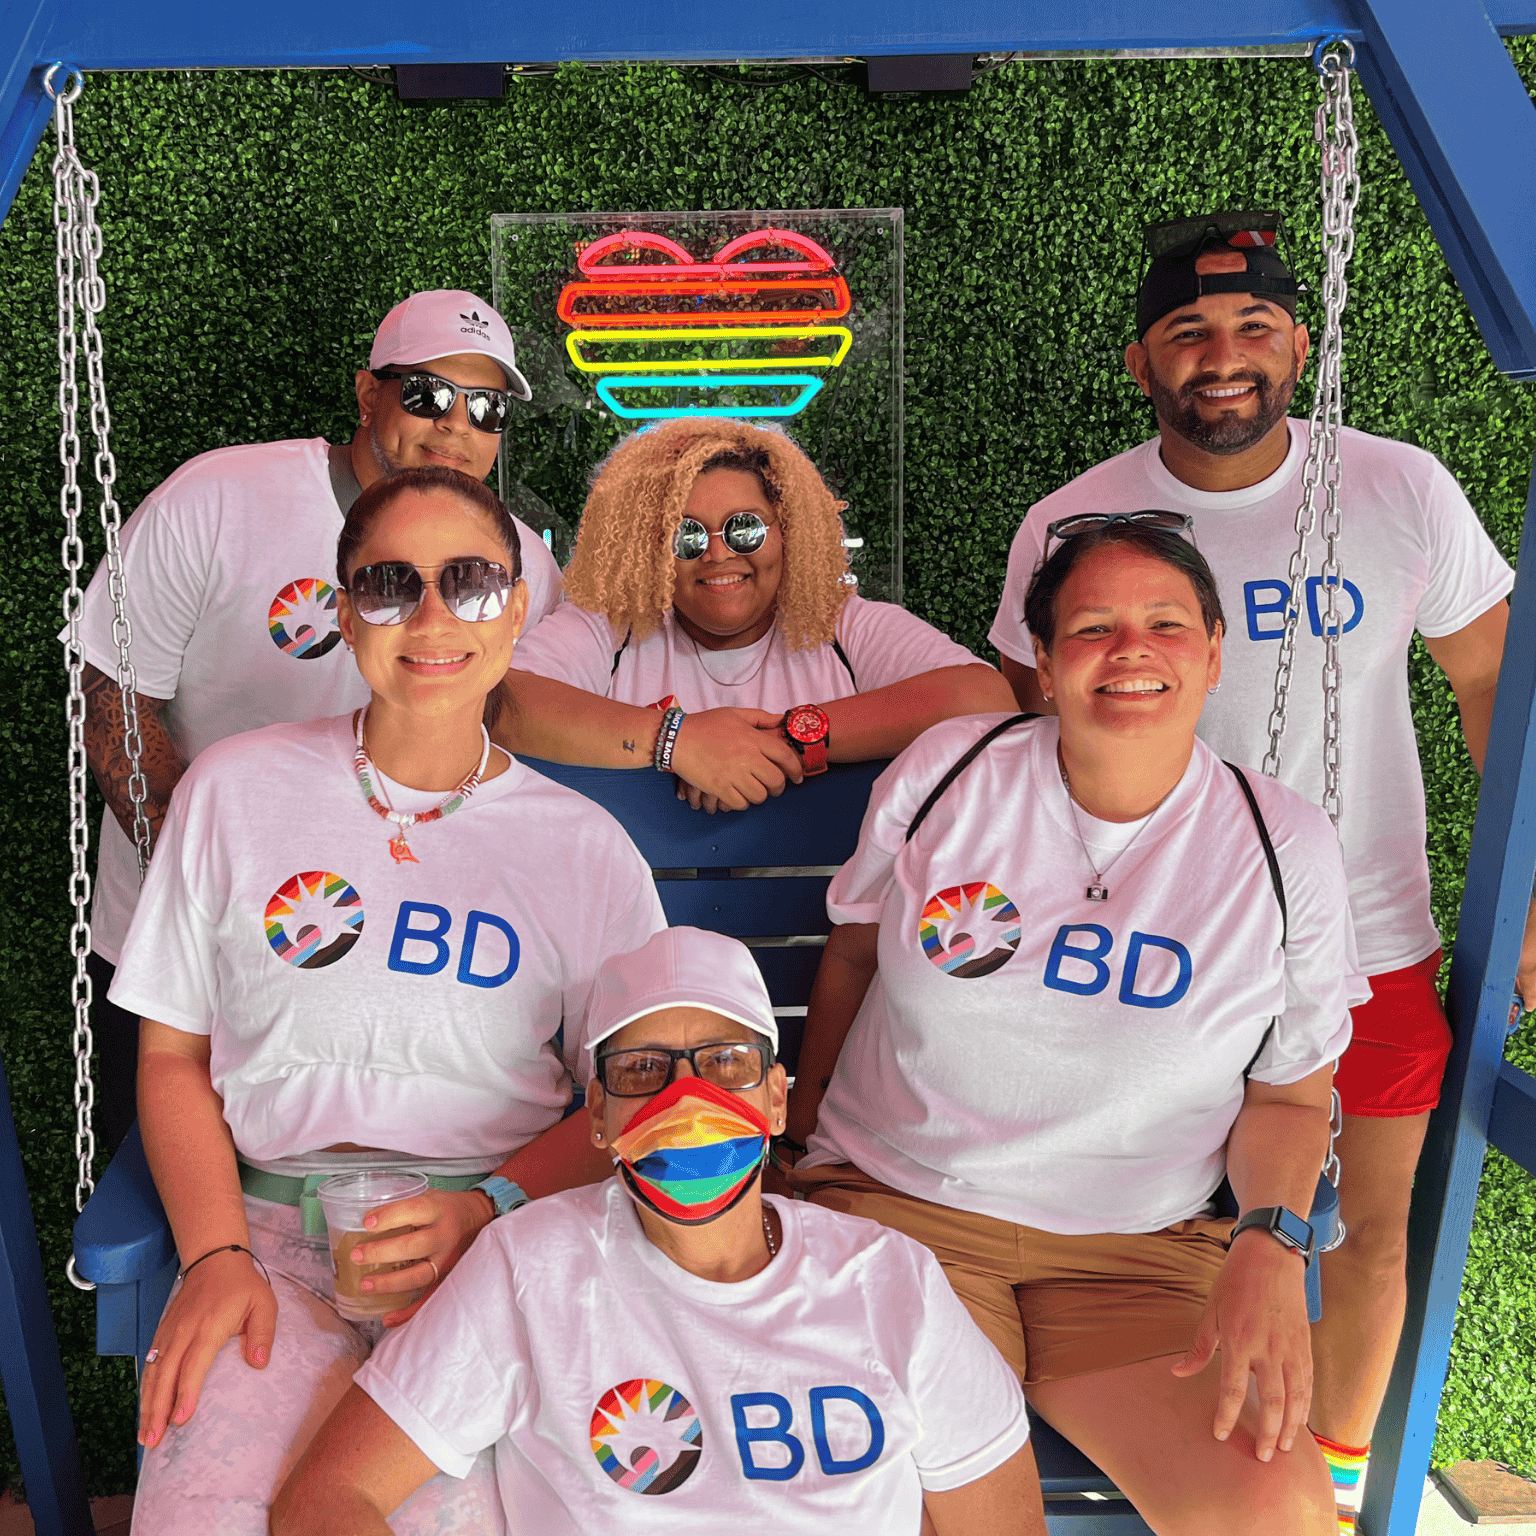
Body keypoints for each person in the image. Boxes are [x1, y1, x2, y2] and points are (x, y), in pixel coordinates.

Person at [985, 211, 1521, 1530]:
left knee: (1374, 1229)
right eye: (1188, 335)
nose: (1222, 357)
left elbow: (1496, 686)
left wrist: (1527, 897)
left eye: (1253, 329)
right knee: (1163, 1236)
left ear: (1299, 343)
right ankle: (1190, 1454)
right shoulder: (1075, 521)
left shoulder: (1400, 489)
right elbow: (1021, 734)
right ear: (1141, 361)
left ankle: (1332, 1481)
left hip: (1374, 938)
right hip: (1155, 954)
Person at [111, 466, 664, 1534]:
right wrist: (216, 1252)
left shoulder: (582, 849)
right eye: (388, 584)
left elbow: (632, 1097)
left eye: (469, 582)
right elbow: (172, 1053)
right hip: (266, 1236)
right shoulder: (234, 789)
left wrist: (489, 1210)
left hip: (495, 1248)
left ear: (517, 609)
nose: (429, 616)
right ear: (342, 605)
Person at [786, 518, 1365, 1534]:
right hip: (906, 1213)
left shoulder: (1284, 844)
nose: (1131, 649)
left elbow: (1288, 1092)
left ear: (1215, 651)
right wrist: (799, 1142)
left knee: (1279, 1511)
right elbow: (854, 954)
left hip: (1139, 1256)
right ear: (1044, 666)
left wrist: (1272, 1244)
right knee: (933, 1509)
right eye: (1093, 627)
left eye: (1166, 624)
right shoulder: (951, 774)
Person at [270, 926, 1044, 1536]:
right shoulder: (530, 1268)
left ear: (778, 1099)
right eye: (643, 1070)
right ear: (599, 1122)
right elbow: (325, 1502)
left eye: (726, 1062)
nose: (687, 1100)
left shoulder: (891, 1281)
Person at [74, 289, 564, 1153]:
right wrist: (215, 896)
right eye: (427, 395)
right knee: (182, 1224)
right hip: (183, 967)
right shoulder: (222, 497)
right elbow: (113, 691)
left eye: (486, 408)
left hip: (384, 980)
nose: (456, 427)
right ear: (367, 395)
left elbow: (526, 725)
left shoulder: (520, 566)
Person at [500, 417, 1015, 811]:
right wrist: (678, 741)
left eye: (745, 528)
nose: (718, 554)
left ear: (788, 529)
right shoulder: (617, 626)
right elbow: (501, 705)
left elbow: (983, 697)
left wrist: (787, 739)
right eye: (688, 535)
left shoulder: (840, 624)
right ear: (651, 547)